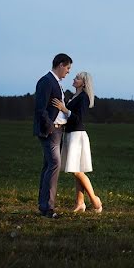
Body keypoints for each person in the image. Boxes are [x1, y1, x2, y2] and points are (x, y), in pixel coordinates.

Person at [52, 71, 103, 213]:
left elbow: (78, 118)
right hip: (69, 134)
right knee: (77, 170)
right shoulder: (74, 96)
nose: (74, 79)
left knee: (76, 171)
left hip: (77, 136)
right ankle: (80, 203)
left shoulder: (84, 97)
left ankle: (95, 200)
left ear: (84, 83)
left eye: (77, 78)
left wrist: (64, 109)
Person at [33, 53, 72, 218]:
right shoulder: (46, 81)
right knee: (54, 164)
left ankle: (43, 207)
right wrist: (50, 127)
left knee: (49, 165)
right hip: (51, 131)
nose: (68, 72)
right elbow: (40, 108)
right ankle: (48, 208)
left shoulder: (56, 83)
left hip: (58, 131)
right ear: (61, 64)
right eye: (68, 68)